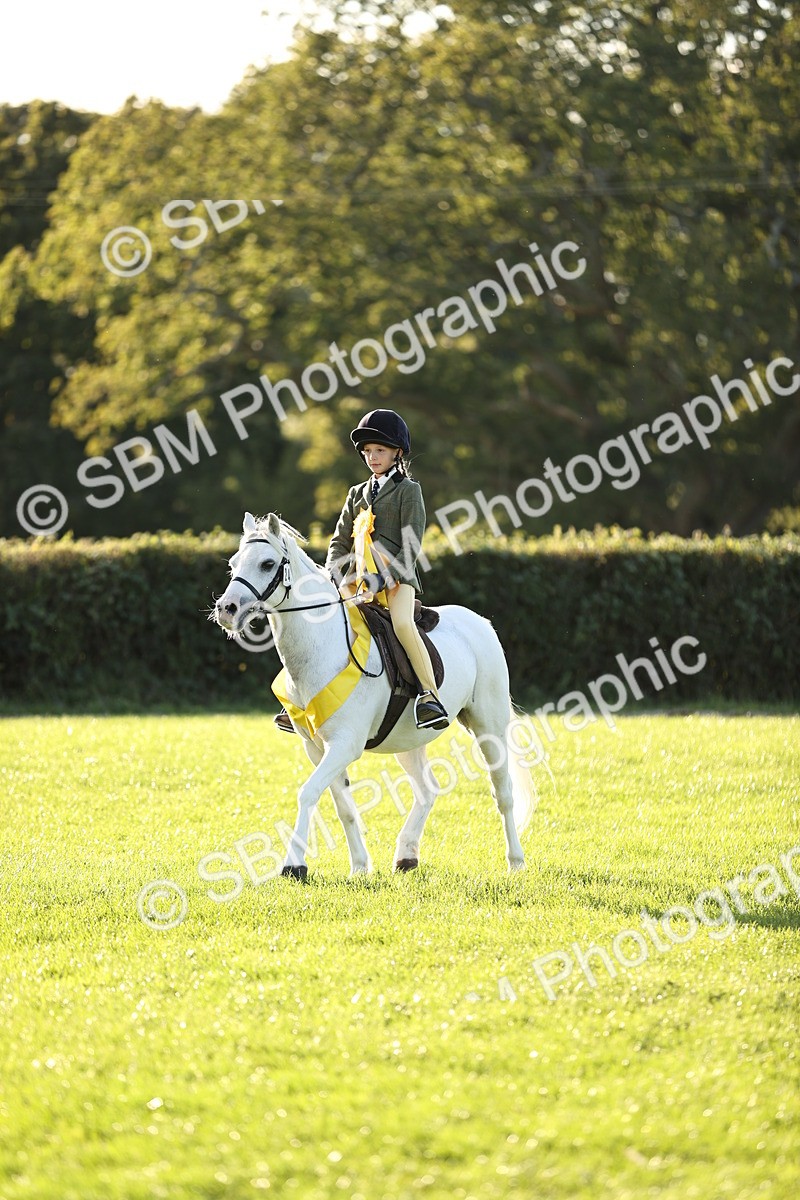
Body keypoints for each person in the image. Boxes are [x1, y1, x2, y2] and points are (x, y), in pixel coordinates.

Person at [274, 408, 449, 733]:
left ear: (397, 452)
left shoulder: (408, 491)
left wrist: (382, 578)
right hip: (356, 581)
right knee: (317, 623)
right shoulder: (356, 493)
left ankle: (430, 696)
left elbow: (411, 545)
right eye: (367, 451)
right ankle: (297, 702)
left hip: (396, 580)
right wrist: (335, 573)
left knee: (402, 625)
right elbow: (339, 541)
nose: (372, 457)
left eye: (380, 450)